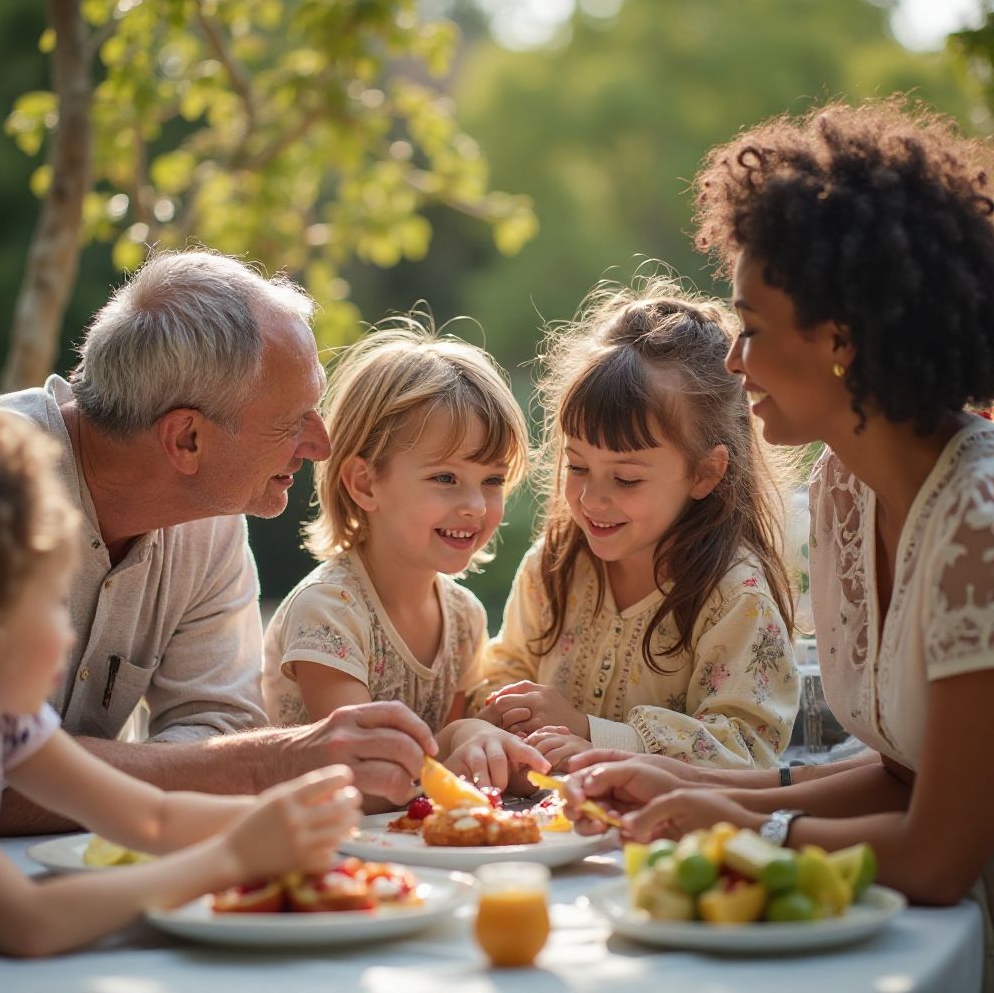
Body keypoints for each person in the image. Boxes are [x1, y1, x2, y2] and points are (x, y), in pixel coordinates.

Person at [562, 98, 994, 952]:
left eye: (752, 329)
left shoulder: (977, 524)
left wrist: (746, 831)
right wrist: (685, 787)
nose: (733, 360)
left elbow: (940, 853)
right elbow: (906, 775)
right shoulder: (843, 492)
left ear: (842, 339)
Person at [0, 249, 438, 833]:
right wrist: (259, 766)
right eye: (293, 420)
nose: (321, 445)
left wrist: (226, 767)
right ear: (187, 439)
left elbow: (219, 724)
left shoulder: (212, 513)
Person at [0, 409, 361, 956]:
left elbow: (152, 817)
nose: (68, 634)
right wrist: (233, 858)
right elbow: (28, 923)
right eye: (49, 607)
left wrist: (288, 823)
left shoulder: (4, 722)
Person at [464, 275, 800, 771]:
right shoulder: (555, 565)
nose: (590, 498)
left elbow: (747, 747)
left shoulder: (735, 596)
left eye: (625, 479)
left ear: (705, 473)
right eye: (576, 465)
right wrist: (502, 719)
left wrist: (593, 735)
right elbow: (504, 668)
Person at [263, 318, 548, 791]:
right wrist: (464, 749)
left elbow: (438, 747)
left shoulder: (464, 619)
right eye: (445, 478)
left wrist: (481, 736)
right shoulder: (328, 612)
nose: (475, 506)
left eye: (492, 480)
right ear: (365, 483)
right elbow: (362, 779)